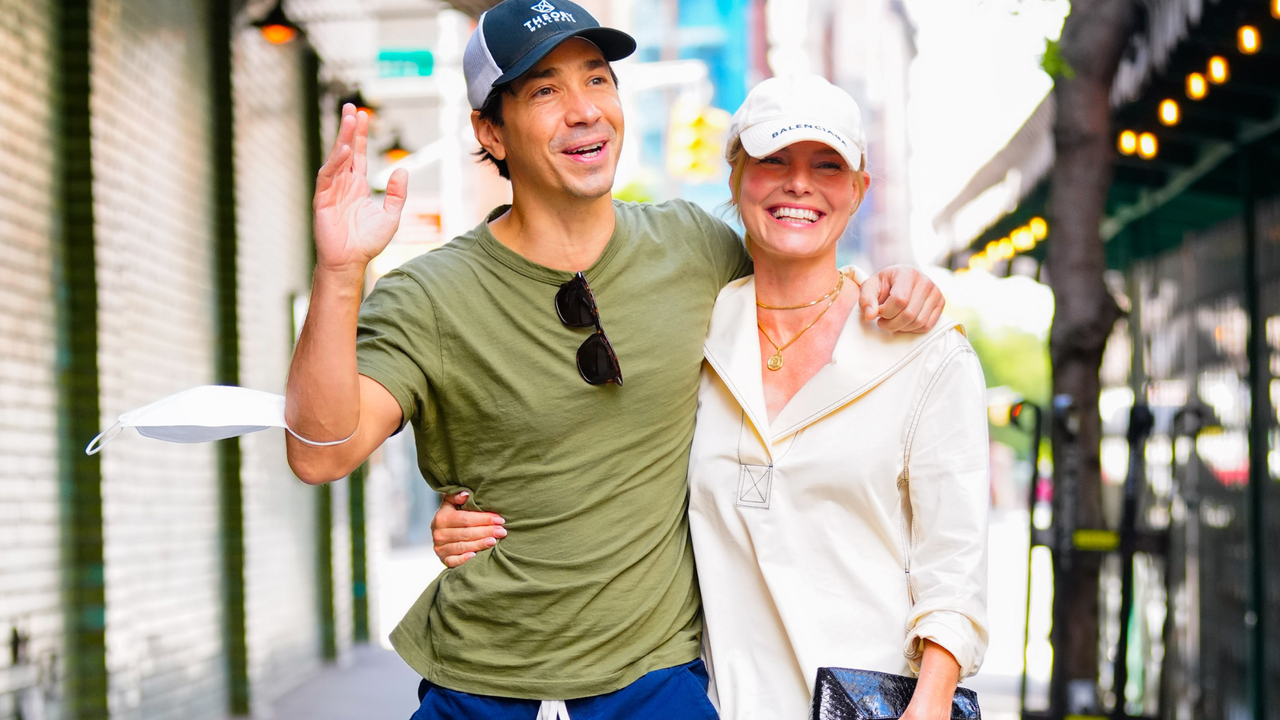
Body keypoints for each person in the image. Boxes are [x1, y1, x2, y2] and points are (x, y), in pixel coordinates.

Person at [287, 0, 945, 715]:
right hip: (481, 677)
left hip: (655, 677)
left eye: (598, 80)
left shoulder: (697, 248)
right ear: (489, 131)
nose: (584, 110)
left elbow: (806, 307)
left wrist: (889, 292)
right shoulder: (429, 295)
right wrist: (341, 273)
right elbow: (321, 452)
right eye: (544, 89)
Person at [435, 73, 990, 720]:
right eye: (773, 160)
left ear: (859, 191)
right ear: (735, 179)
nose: (799, 183)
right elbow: (594, 459)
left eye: (828, 166)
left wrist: (931, 702)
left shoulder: (926, 353)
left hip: (876, 703)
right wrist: (476, 517)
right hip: (714, 701)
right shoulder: (691, 330)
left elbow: (956, 564)